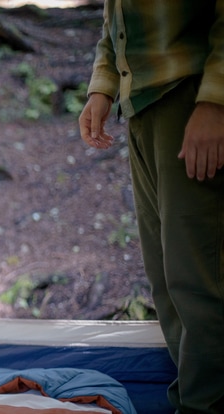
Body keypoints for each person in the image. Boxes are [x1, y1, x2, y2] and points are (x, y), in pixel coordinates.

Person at [78, 1, 224, 412]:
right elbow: (115, 20)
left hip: (192, 100)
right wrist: (103, 88)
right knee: (167, 279)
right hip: (142, 106)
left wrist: (215, 103)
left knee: (200, 281)